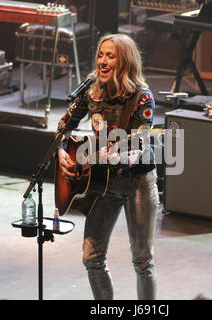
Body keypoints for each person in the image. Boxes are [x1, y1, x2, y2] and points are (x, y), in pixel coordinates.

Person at [56, 34, 160, 300]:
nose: (102, 61)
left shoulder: (142, 97)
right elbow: (63, 127)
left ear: (124, 61)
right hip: (104, 184)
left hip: (137, 182)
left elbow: (136, 150)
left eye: (110, 56)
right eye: (101, 55)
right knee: (92, 257)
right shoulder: (91, 91)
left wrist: (101, 157)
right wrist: (62, 152)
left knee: (142, 260)